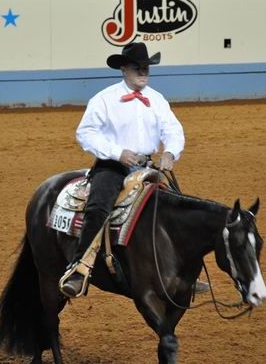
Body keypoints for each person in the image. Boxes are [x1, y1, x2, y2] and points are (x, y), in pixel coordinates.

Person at [60, 42, 185, 298]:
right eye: (137, 67)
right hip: (112, 166)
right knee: (98, 208)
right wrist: (118, 153)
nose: (143, 71)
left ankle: (180, 272)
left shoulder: (157, 100)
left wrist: (170, 152)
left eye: (146, 67)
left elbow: (173, 130)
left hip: (148, 165)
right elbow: (85, 133)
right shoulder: (104, 99)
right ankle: (79, 267)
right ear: (124, 69)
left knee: (177, 208)